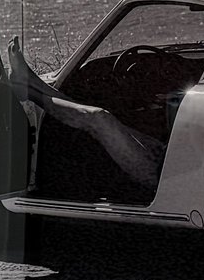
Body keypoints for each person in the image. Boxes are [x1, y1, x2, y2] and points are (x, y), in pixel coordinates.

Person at [10, 38, 163, 191]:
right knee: (109, 122)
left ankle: (29, 91)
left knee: (99, 118)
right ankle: (32, 82)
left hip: (164, 178)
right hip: (167, 159)